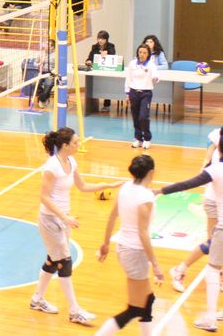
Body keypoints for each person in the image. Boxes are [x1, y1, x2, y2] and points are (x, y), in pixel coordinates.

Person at [30, 127, 120, 326]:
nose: (79, 144)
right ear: (65, 145)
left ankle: (37, 299)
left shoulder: (71, 162)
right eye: (76, 142)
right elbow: (44, 197)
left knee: (53, 261)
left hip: (63, 219)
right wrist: (64, 217)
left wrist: (106, 185)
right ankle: (74, 311)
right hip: (50, 220)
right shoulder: (51, 167)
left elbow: (83, 186)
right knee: (64, 261)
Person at [154, 137, 223, 331]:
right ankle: (180, 269)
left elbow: (186, 185)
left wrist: (159, 190)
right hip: (214, 212)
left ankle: (210, 318)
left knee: (212, 269)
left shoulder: (216, 170)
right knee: (212, 250)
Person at [93, 154, 162, 336]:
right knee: (134, 309)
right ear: (151, 172)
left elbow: (112, 217)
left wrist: (105, 244)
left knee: (148, 300)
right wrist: (155, 265)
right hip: (135, 253)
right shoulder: (145, 198)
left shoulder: (125, 187)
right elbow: (143, 233)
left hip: (123, 248)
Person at [168, 128, 221, 293]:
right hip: (214, 201)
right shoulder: (218, 139)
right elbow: (211, 148)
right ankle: (179, 270)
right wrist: (206, 161)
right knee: (212, 243)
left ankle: (219, 274)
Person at [125, 44, 160, 149]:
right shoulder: (132, 64)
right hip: (133, 93)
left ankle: (147, 139)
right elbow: (128, 78)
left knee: (143, 117)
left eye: (144, 52)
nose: (142, 54)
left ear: (148, 54)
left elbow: (156, 76)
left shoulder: (151, 65)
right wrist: (127, 93)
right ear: (138, 53)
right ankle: (138, 138)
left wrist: (155, 78)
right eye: (140, 52)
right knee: (135, 117)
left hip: (146, 93)